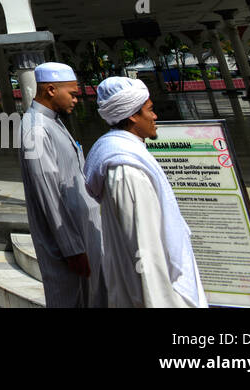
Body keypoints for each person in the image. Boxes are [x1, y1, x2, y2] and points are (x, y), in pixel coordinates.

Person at [83, 77, 206, 308]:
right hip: (152, 290)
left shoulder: (128, 153)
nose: (155, 116)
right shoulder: (127, 170)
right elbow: (144, 247)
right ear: (132, 115)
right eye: (149, 110)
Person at [18, 61, 105, 307]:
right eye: (73, 93)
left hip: (79, 232)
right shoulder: (35, 129)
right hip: (66, 241)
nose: (76, 99)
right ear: (51, 90)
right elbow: (48, 193)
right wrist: (72, 248)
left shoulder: (52, 121)